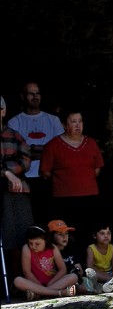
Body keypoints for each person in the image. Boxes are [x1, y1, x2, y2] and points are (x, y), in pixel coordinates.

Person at [39, 108, 103, 240]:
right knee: (65, 235)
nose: (78, 125)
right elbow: (45, 173)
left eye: (80, 121)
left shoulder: (91, 143)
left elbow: (97, 169)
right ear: (64, 125)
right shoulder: (53, 145)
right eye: (74, 121)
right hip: (63, 199)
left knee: (89, 233)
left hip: (89, 197)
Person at [7, 82, 64, 224]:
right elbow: (15, 153)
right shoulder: (14, 122)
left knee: (52, 219)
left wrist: (31, 150)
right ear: (23, 96)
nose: (35, 96)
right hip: (25, 179)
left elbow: (61, 150)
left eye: (37, 93)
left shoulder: (53, 120)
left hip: (50, 177)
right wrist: (45, 150)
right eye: (31, 93)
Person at [2, 95, 33, 291]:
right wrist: (6, 173)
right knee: (5, 237)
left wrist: (11, 174)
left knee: (22, 232)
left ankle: (22, 282)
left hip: (17, 190)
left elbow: (26, 158)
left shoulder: (13, 135)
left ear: (3, 111)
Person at [13, 225, 77, 300]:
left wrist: (49, 284)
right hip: (34, 283)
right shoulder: (26, 248)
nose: (33, 246)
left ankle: (40, 294)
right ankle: (59, 293)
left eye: (37, 244)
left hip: (53, 283)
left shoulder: (53, 248)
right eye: (31, 243)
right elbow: (26, 272)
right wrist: (39, 286)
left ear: (45, 241)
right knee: (17, 281)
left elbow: (62, 269)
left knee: (73, 276)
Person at [84, 223, 113, 293]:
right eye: (102, 233)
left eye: (108, 233)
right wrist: (110, 278)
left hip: (110, 273)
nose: (106, 236)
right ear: (94, 236)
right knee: (90, 271)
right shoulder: (91, 248)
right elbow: (89, 267)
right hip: (98, 275)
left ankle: (110, 284)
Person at [49, 219, 87, 294]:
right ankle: (44, 291)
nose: (64, 237)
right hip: (55, 281)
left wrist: (77, 271)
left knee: (83, 287)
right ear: (52, 236)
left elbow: (79, 269)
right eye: (60, 234)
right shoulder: (49, 251)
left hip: (71, 280)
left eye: (66, 233)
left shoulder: (71, 249)